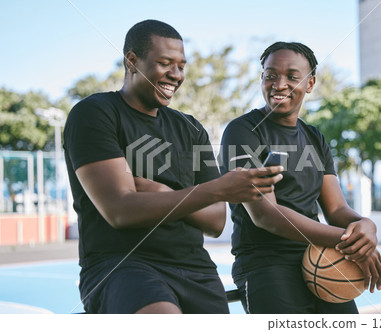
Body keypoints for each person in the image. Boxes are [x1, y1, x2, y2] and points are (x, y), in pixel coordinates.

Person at [63, 20, 283, 314]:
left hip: (194, 268)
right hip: (122, 266)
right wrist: (214, 190)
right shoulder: (95, 113)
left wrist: (161, 190)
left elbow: (216, 221)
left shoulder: (190, 128)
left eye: (181, 66)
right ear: (132, 61)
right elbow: (120, 210)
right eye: (165, 63)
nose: (176, 75)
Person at [219, 41, 381, 314]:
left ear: (309, 84)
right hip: (266, 263)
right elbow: (266, 215)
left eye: (292, 77)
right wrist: (352, 243)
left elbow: (336, 209)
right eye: (270, 75)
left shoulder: (314, 137)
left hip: (323, 257)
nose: (279, 84)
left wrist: (365, 226)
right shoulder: (243, 131)